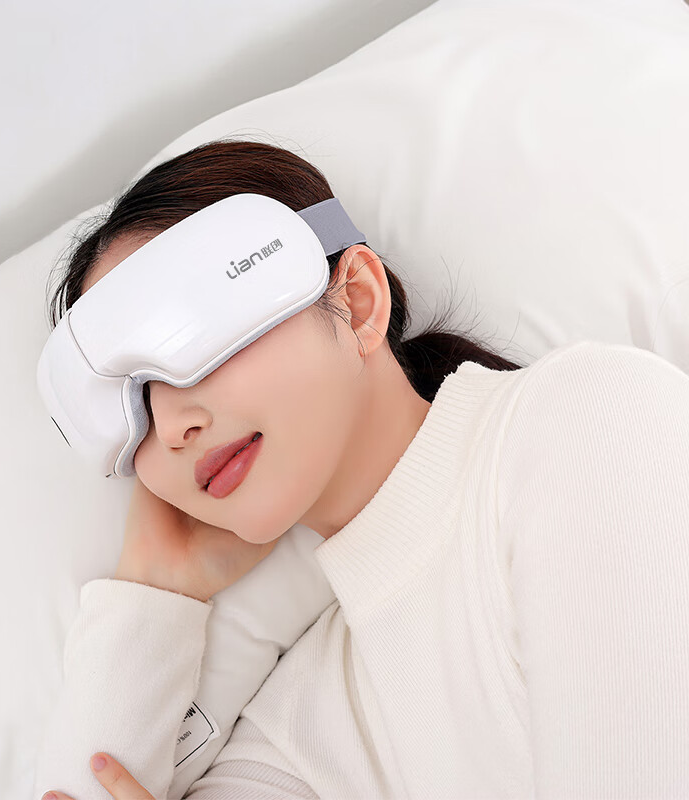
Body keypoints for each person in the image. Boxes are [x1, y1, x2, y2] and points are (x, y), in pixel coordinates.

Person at [36, 138, 689, 800]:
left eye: (194, 338)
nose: (173, 425)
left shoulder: (588, 418)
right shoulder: (299, 735)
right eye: (134, 402)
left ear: (356, 300)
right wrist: (151, 595)